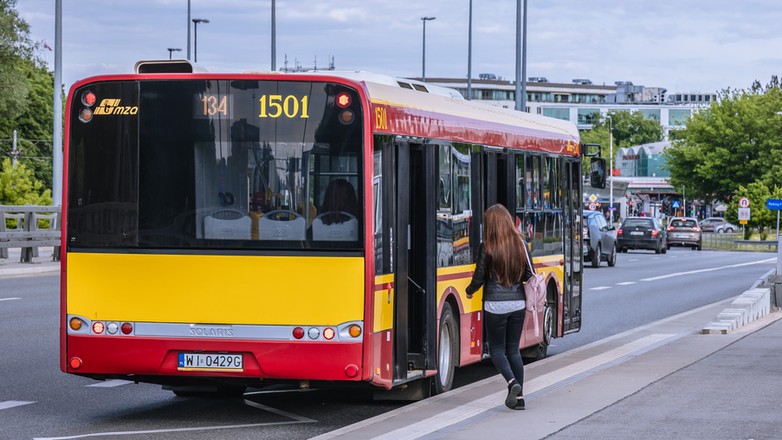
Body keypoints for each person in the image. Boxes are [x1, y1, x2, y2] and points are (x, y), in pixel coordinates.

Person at [465, 203, 534, 410]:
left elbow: (479, 277)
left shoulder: (487, 246)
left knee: (496, 350)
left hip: (494, 305)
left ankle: (512, 383)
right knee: (513, 350)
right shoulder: (521, 245)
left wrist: (469, 291)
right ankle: (519, 399)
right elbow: (529, 274)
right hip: (518, 303)